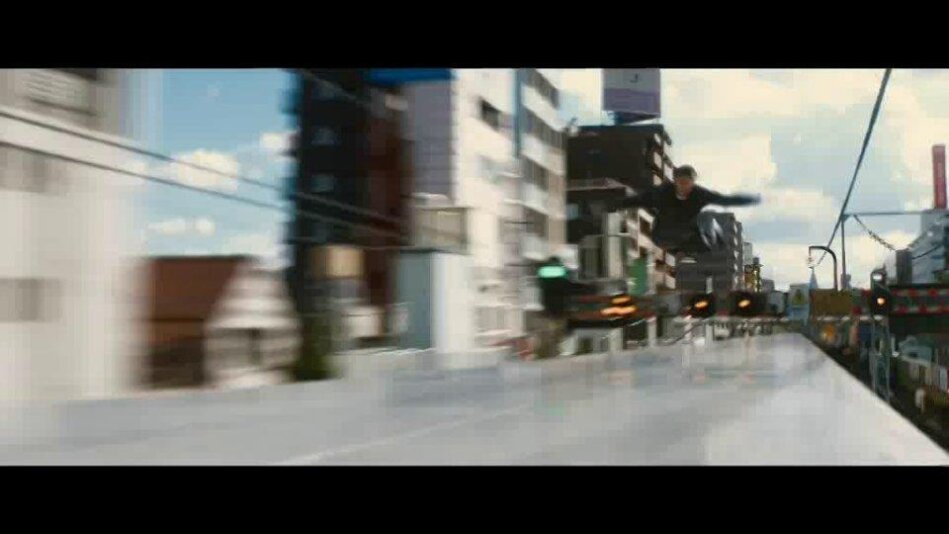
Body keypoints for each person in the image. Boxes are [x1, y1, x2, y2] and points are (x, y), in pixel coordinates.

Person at [597, 165, 761, 264]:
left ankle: (690, 253)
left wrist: (749, 200)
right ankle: (682, 252)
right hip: (661, 235)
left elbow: (725, 200)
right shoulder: (662, 192)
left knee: (707, 218)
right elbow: (638, 200)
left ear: (693, 183)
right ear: (674, 181)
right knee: (698, 220)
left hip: (684, 237)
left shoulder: (700, 194)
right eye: (680, 183)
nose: (683, 187)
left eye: (687, 183)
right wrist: (613, 205)